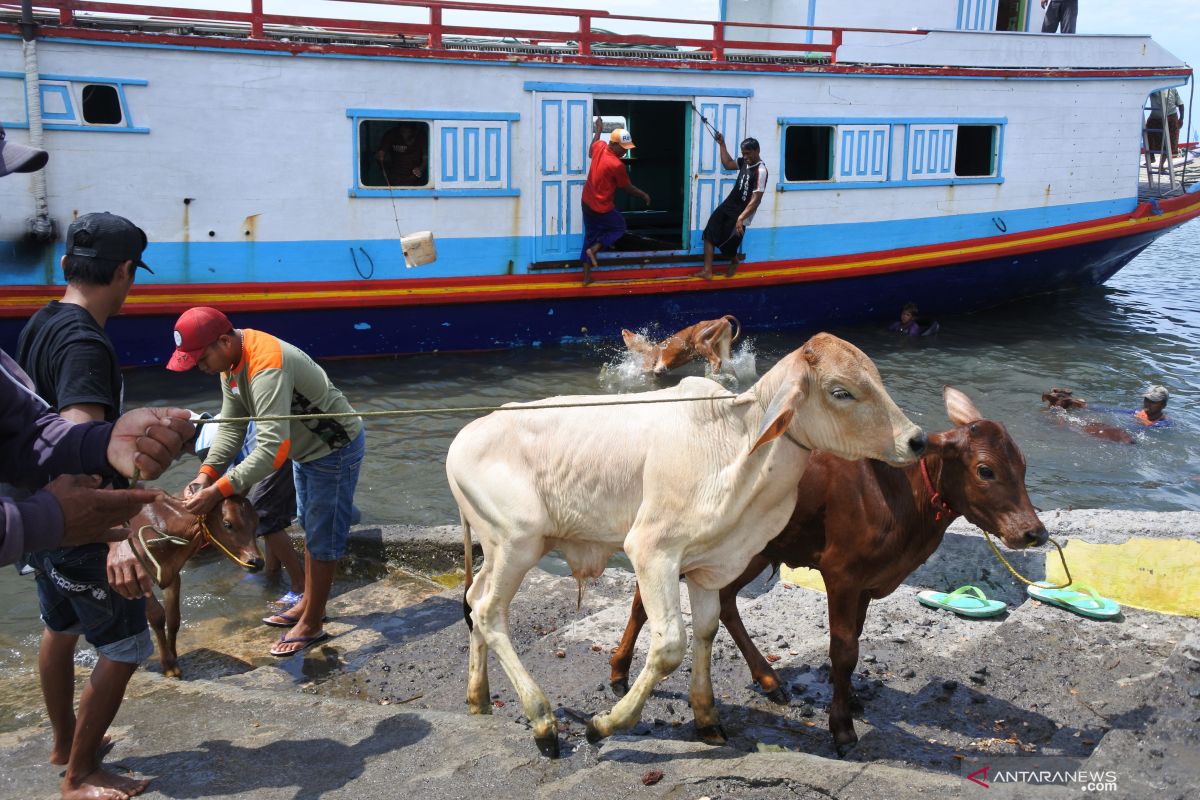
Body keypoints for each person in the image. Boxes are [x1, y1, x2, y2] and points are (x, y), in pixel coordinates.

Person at [16, 211, 173, 800]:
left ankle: (64, 744)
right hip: (78, 524)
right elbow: (77, 442)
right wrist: (115, 539)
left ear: (66, 266)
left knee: (60, 628)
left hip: (38, 515)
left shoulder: (42, 323)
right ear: (127, 271)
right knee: (127, 646)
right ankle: (80, 776)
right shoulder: (86, 342)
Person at [167, 307, 365, 657]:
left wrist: (217, 491)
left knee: (322, 538)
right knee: (310, 525)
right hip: (306, 452)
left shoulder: (265, 366)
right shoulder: (230, 363)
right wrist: (204, 475)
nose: (200, 367)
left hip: (332, 450)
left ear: (224, 341)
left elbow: (272, 451)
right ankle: (308, 601)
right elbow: (231, 426)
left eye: (201, 358)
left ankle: (313, 622)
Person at [192, 415, 305, 604]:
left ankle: (299, 586)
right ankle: (272, 571)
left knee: (263, 512)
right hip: (285, 442)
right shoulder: (215, 426)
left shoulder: (203, 446)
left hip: (280, 447)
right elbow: (237, 483)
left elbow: (232, 487)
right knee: (269, 513)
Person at [580, 117, 651, 285]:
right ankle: (595, 249)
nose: (625, 152)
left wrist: (598, 129)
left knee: (590, 236)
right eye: (623, 148)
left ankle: (586, 278)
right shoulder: (616, 165)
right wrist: (643, 195)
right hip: (601, 207)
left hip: (587, 202)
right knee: (619, 227)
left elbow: (591, 150)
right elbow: (627, 188)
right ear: (614, 144)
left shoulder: (600, 147)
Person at [697, 134, 769, 280]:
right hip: (728, 205)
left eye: (748, 153)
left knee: (727, 246)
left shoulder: (761, 171)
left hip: (742, 212)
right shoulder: (744, 162)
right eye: (743, 154)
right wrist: (722, 144)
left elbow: (756, 200)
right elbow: (728, 163)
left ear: (757, 150)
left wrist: (741, 218)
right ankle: (707, 271)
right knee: (709, 233)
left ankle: (734, 261)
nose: (745, 156)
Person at [375, 123, 427, 187]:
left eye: (409, 132)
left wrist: (421, 169)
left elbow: (426, 157)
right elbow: (380, 154)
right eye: (403, 131)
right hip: (395, 176)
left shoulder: (421, 135)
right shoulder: (391, 134)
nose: (406, 134)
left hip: (415, 176)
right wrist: (380, 156)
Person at [1146, 88, 1183, 170]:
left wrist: (1181, 119)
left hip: (1170, 116)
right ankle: (1151, 157)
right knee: (1147, 134)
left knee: (1169, 143)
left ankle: (1161, 165)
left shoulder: (1172, 89)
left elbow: (1180, 104)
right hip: (1156, 117)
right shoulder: (1154, 88)